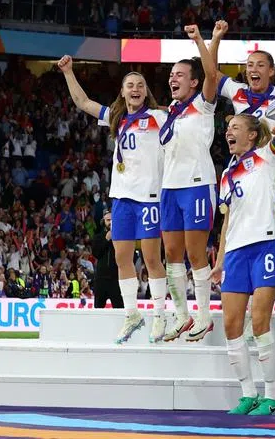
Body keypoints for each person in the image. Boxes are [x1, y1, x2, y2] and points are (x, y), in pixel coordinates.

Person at [58, 56, 168, 344]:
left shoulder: (159, 118)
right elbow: (83, 102)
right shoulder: (117, 118)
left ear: (146, 92)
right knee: (121, 257)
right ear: (122, 91)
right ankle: (132, 314)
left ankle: (160, 315)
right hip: (121, 199)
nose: (135, 89)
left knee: (152, 259)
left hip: (149, 198)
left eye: (140, 85)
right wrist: (69, 72)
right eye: (130, 85)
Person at [214, 83, 275, 416]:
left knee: (261, 322)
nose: (228, 132)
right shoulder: (226, 173)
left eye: (235, 127)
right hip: (235, 252)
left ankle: (273, 395)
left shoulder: (267, 156)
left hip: (264, 244)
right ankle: (248, 393)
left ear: (252, 135)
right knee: (232, 325)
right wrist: (220, 259)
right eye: (227, 129)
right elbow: (228, 219)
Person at [210, 23, 275, 338]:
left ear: (272, 71)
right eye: (249, 65)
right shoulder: (236, 92)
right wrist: (214, 40)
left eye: (260, 65)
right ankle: (255, 313)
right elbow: (211, 73)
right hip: (249, 179)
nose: (253, 69)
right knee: (251, 234)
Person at [159, 25, 221, 343]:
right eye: (172, 74)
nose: (174, 78)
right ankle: (182, 315)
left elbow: (213, 73)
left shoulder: (203, 104)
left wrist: (202, 40)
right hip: (169, 188)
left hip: (197, 185)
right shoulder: (171, 111)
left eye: (180, 74)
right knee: (171, 252)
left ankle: (204, 315)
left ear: (193, 82)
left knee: (196, 254)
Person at [91, 212, 123, 310]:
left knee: (120, 308)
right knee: (98, 308)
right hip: (101, 278)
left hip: (116, 278)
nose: (110, 222)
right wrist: (106, 239)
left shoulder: (122, 237)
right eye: (108, 220)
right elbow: (96, 254)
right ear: (103, 222)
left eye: (112, 220)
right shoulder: (98, 237)